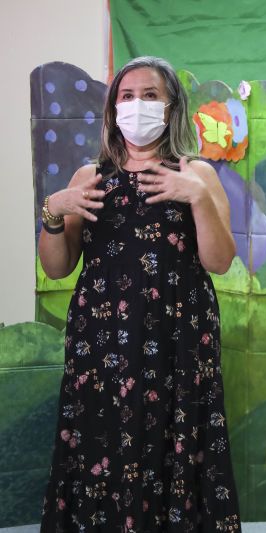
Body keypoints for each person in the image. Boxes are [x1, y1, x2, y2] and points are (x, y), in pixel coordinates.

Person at [38, 56, 241, 531]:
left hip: (179, 339)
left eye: (150, 95)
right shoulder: (88, 178)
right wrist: (53, 209)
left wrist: (195, 196)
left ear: (171, 108)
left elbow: (220, 261)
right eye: (126, 97)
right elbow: (58, 266)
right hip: (101, 342)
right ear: (112, 112)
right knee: (102, 442)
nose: (136, 105)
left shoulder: (199, 175)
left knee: (177, 439)